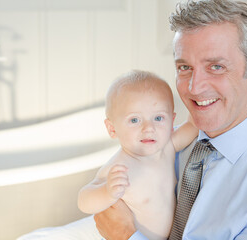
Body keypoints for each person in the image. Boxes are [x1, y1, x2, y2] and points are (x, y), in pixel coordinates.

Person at [94, 0, 247, 239]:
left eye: (216, 67)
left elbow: (121, 227)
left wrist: (127, 236)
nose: (194, 87)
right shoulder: (163, 143)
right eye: (185, 67)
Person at [78, 70, 199, 239]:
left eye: (158, 118)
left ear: (172, 122)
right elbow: (84, 200)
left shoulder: (167, 147)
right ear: (112, 129)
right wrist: (107, 192)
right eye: (135, 120)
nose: (148, 128)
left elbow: (194, 125)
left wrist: (199, 104)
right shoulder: (121, 166)